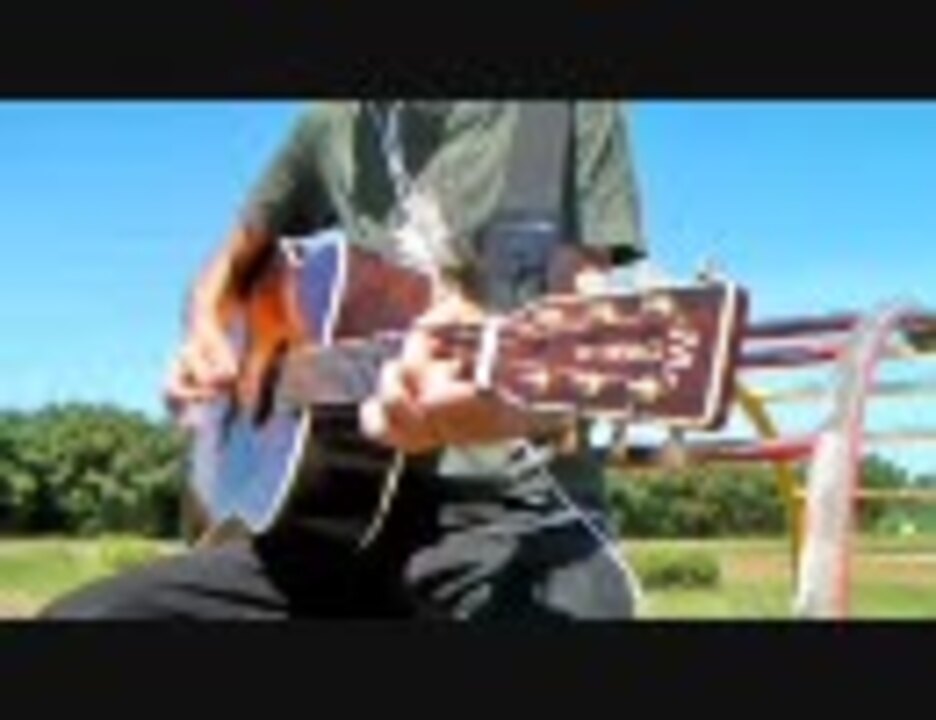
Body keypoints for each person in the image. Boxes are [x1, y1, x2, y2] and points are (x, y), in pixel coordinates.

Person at [39, 100, 648, 620]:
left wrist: (500, 408)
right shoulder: (333, 122)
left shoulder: (552, 112)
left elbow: (575, 343)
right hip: (327, 525)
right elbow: (228, 269)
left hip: (514, 518)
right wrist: (207, 333)